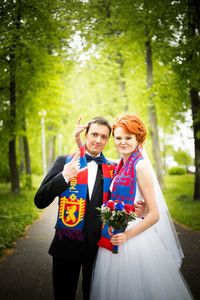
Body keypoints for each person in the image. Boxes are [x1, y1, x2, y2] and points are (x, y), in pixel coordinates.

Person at [34, 116, 145, 300]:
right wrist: (64, 176)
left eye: (103, 136)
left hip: (98, 251)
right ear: (86, 134)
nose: (98, 140)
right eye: (94, 134)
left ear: (108, 139)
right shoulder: (65, 161)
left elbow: (123, 199)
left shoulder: (113, 167)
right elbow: (40, 200)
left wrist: (138, 210)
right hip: (66, 245)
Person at [90, 113, 194, 300]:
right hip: (115, 234)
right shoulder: (122, 163)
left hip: (133, 238)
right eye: (118, 138)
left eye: (128, 138)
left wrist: (126, 235)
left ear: (139, 139)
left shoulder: (140, 165)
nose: (122, 142)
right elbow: (92, 157)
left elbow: (154, 215)